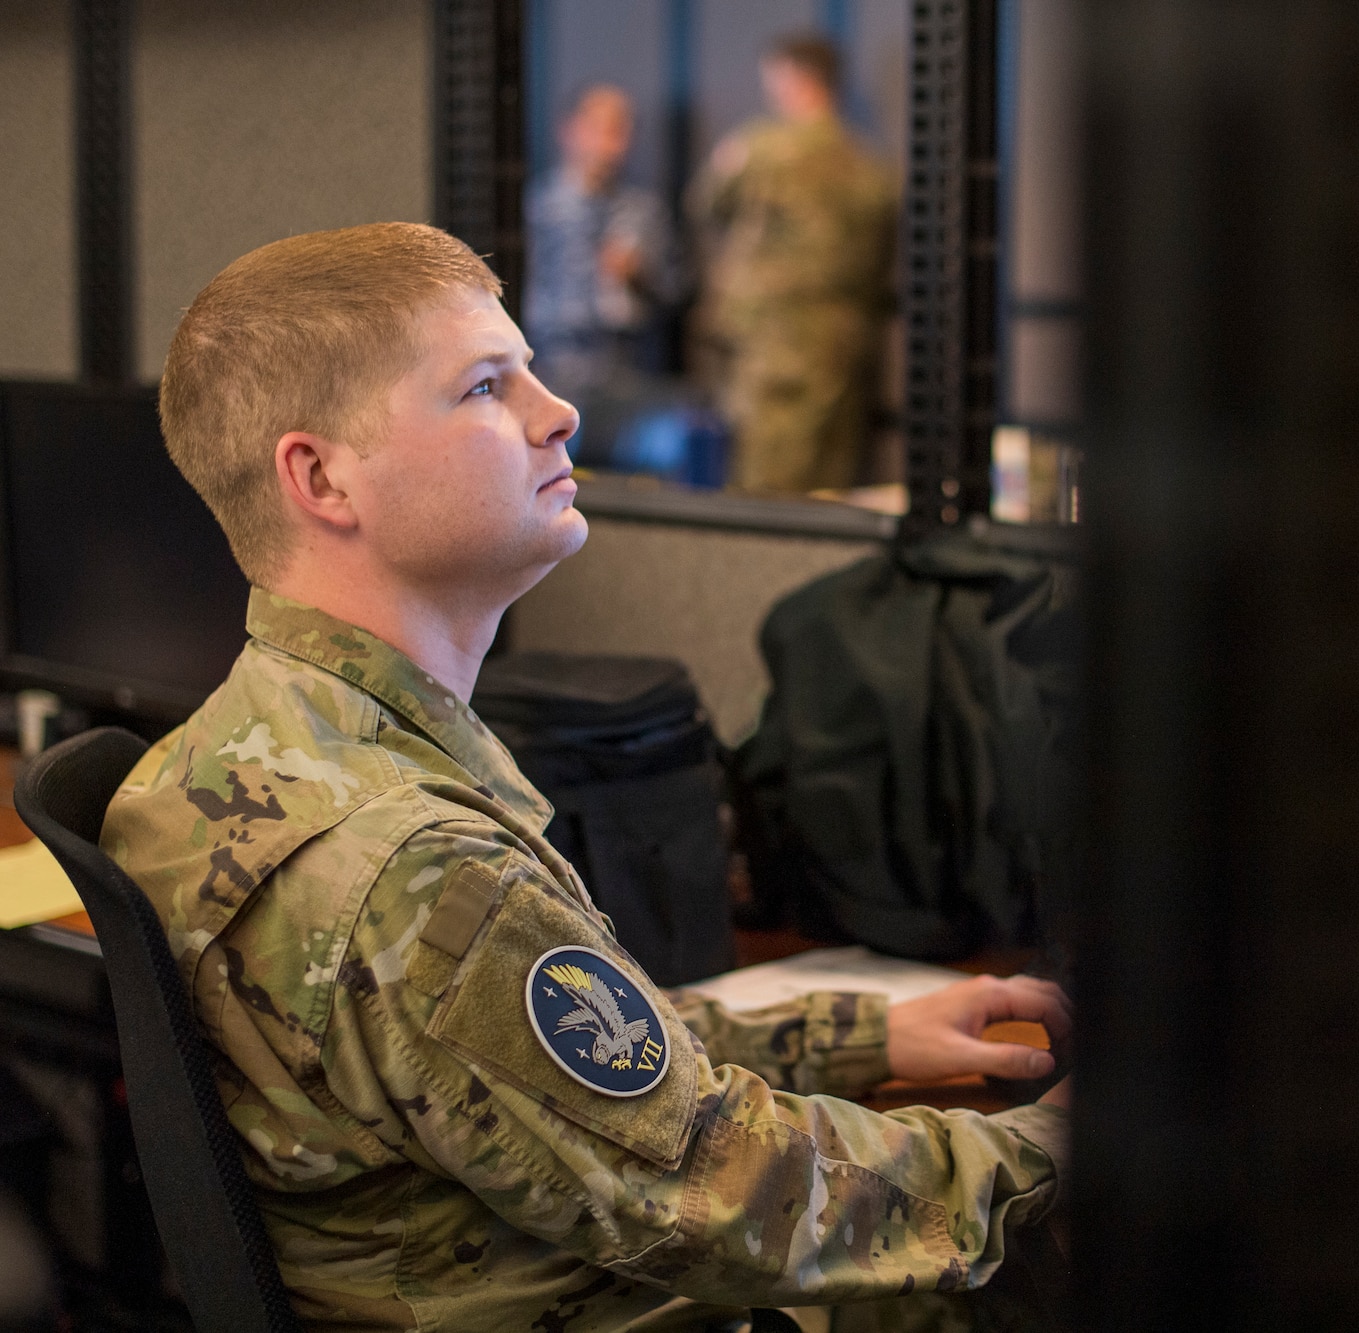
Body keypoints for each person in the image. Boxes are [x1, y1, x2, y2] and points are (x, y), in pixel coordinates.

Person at [99, 222, 1068, 1332]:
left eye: (531, 369)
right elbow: (731, 1193)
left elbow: (547, 1069)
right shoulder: (412, 867)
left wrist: (861, 1033)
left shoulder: (229, 756)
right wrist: (1054, 1145)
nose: (555, 412)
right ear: (320, 477)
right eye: (481, 387)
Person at [688, 33, 897, 494]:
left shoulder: (759, 149)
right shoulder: (871, 167)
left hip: (772, 345)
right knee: (830, 490)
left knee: (765, 492)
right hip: (846, 343)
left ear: (790, 79)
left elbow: (706, 204)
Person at [526, 85, 672, 395]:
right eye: (599, 129)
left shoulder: (643, 212)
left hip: (626, 363)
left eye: (620, 131)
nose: (611, 145)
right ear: (569, 131)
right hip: (551, 363)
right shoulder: (537, 208)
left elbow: (676, 289)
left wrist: (638, 275)